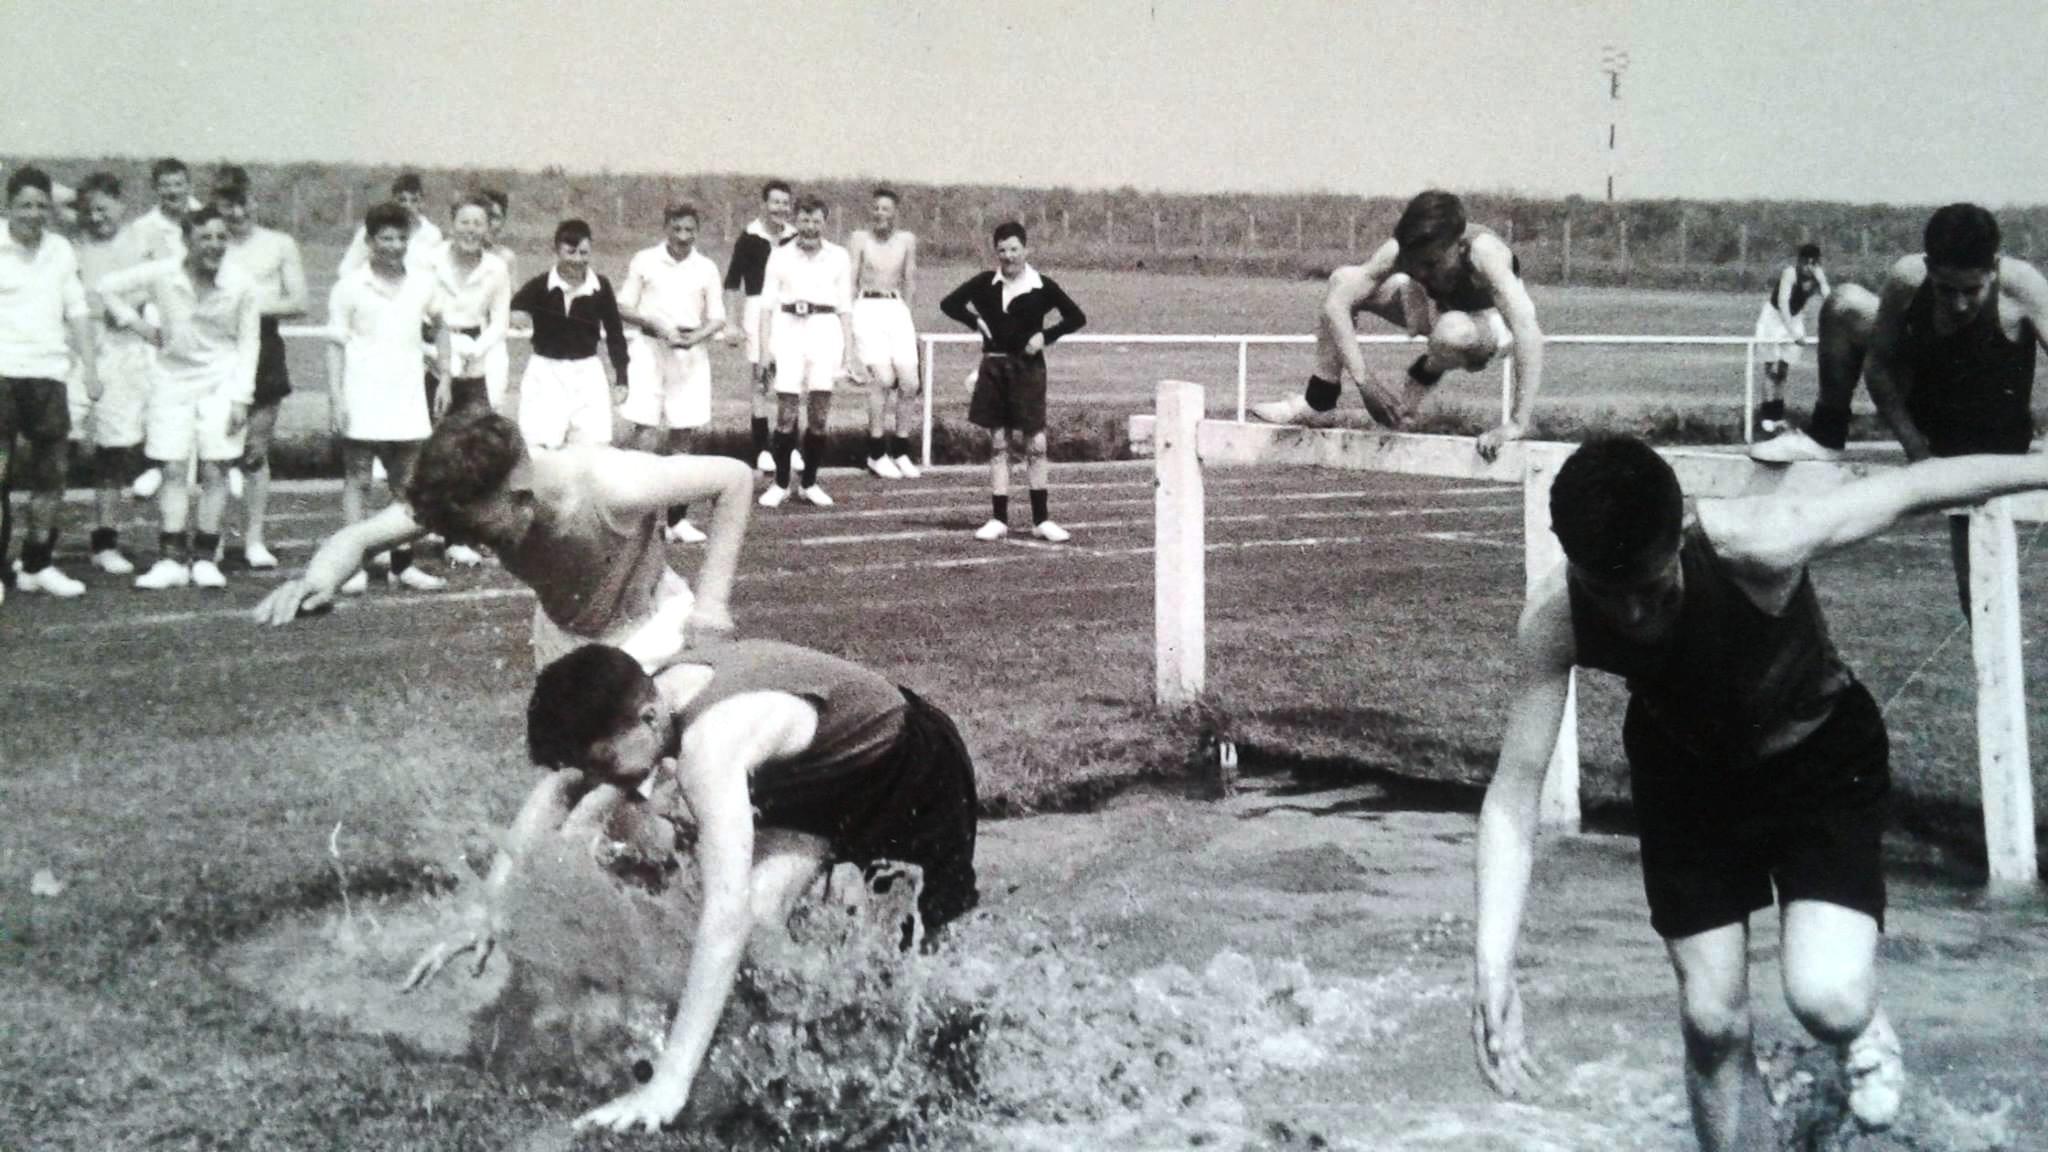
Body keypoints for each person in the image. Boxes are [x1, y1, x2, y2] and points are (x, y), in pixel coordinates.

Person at [1470, 434, 2048, 1147]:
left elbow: (1919, 486)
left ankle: (1861, 1032)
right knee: (1712, 1020)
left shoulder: (1762, 542)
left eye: (1652, 591)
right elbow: (1513, 794)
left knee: (1826, 998)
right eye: (1605, 596)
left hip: (1819, 758)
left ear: (1680, 533)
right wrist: (1494, 965)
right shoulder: (1554, 614)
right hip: (1686, 775)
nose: (1633, 619)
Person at [406, 638, 980, 1135]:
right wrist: (490, 910)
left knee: (921, 949)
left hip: (908, 764)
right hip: (813, 781)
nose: (606, 785)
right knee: (761, 919)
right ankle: (778, 1051)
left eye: (608, 765)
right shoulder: (638, 703)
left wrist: (669, 1084)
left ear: (651, 719)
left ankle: (969, 1054)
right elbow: (560, 791)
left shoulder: (711, 744)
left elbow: (721, 911)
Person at [251, 406, 750, 673]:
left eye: (485, 532)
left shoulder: (609, 485)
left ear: (521, 492)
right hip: (564, 639)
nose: (483, 545)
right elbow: (360, 538)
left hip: (651, 628)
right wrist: (317, 580)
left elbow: (733, 477)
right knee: (584, 791)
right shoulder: (468, 497)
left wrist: (710, 606)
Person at [1750, 204, 2048, 611]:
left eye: (1971, 291)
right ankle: (1826, 435)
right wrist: (1917, 451)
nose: (1959, 304)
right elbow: (1879, 366)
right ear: (1928, 266)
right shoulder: (1908, 278)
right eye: (1946, 289)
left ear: (1993, 268)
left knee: (1978, 597)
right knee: (1844, 304)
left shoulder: (2025, 286)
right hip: (1930, 408)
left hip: (1989, 435)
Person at [1251, 189, 1544, 462]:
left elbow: (1528, 331)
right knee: (1342, 279)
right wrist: (1366, 383)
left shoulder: (1485, 254)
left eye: (1430, 263)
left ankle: (1425, 371)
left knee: (1451, 331)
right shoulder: (1400, 252)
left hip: (1485, 322)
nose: (1419, 270)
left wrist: (1517, 422)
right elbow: (1336, 304)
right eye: (1412, 262)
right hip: (1431, 307)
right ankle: (1319, 400)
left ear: (1457, 245)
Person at [95, 206, 257, 591]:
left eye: (221, 237)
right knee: (171, 468)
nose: (215, 245)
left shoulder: (242, 283)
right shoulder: (163, 273)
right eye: (206, 238)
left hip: (222, 381)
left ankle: (204, 558)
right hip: (171, 381)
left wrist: (241, 397)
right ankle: (170, 560)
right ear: (187, 241)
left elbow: (250, 341)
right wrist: (139, 326)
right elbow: (106, 287)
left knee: (216, 469)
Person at [325, 201, 452, 594]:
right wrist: (336, 398)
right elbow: (334, 346)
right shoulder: (348, 286)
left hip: (407, 397)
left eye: (400, 238)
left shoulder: (422, 283)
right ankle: (352, 567)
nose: (394, 246)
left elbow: (442, 325)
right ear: (370, 241)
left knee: (406, 485)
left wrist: (445, 376)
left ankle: (402, 565)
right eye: (386, 238)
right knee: (358, 480)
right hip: (362, 395)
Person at [939, 221, 1086, 542]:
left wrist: (1045, 336)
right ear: (996, 252)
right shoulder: (983, 283)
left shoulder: (1042, 285)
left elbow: (1076, 317)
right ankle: (998, 518)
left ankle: (1041, 519)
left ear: (1026, 250)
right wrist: (975, 320)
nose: (1008, 256)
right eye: (1002, 250)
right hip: (994, 368)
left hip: (1028, 369)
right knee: (998, 443)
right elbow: (949, 304)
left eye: (1014, 249)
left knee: (1036, 444)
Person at [0, 165, 97, 599]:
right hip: (2, 374)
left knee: (51, 475)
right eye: (25, 205)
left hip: (50, 375)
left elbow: (76, 311)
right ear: (9, 207)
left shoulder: (59, 249)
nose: (34, 213)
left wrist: (91, 369)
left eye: (42, 205)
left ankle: (37, 563)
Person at [213, 166, 308, 571]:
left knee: (255, 452)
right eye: (227, 204)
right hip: (219, 351)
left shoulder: (279, 244)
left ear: (254, 201)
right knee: (215, 451)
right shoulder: (211, 242)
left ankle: (254, 539)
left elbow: (299, 302)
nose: (236, 213)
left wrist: (248, 304)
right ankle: (211, 541)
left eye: (242, 202)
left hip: (265, 347)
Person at [616, 203, 726, 543]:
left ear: (697, 231)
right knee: (644, 431)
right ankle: (629, 513)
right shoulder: (644, 260)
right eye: (677, 229)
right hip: (649, 351)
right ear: (666, 227)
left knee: (683, 435)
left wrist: (696, 337)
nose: (682, 237)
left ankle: (677, 520)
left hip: (690, 356)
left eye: (689, 230)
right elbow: (621, 307)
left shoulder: (706, 267)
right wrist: (655, 325)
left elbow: (717, 317)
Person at [71, 172, 156, 577]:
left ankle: (104, 542)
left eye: (105, 207)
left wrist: (118, 306)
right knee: (53, 448)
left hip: (122, 356)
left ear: (122, 206)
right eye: (89, 208)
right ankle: (37, 545)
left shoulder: (140, 243)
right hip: (71, 354)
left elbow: (150, 290)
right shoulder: (70, 242)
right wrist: (81, 198)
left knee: (113, 452)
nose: (96, 215)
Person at [757, 195, 861, 508]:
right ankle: (780, 484)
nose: (810, 227)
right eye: (804, 220)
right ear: (796, 220)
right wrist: (764, 349)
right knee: (786, 411)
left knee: (819, 411)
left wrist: (850, 351)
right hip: (788, 329)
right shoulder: (779, 255)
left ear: (824, 223)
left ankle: (810, 483)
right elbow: (765, 307)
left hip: (824, 330)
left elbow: (845, 307)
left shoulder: (839, 257)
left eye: (816, 221)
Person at [115, 157, 199, 503]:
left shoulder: (204, 217)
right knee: (157, 395)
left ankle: (203, 471)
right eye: (165, 185)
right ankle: (156, 466)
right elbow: (132, 280)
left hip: (200, 320)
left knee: (200, 396)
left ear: (188, 185)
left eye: (178, 184)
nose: (172, 191)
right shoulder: (143, 227)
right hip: (158, 321)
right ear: (156, 189)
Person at [509, 218, 630, 451]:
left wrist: (622, 377)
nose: (577, 260)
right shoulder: (540, 285)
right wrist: (518, 316)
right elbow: (513, 308)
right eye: (570, 252)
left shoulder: (601, 287)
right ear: (557, 250)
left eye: (584, 253)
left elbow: (615, 333)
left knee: (593, 449)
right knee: (539, 448)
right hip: (545, 373)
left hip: (587, 374)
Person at [847, 187, 923, 479]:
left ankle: (901, 450)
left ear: (895, 213)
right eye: (876, 208)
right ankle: (876, 453)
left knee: (909, 382)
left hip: (897, 310)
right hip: (867, 307)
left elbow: (910, 280)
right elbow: (852, 279)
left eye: (886, 209)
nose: (880, 214)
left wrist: (910, 320)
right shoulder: (859, 239)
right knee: (883, 378)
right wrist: (849, 323)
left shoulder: (907, 240)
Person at [722, 181, 795, 473]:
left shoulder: (795, 236)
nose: (780, 208)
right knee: (761, 380)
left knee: (789, 382)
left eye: (785, 203)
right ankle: (761, 449)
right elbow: (731, 283)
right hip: (756, 310)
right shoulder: (749, 237)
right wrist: (730, 322)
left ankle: (787, 448)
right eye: (775, 202)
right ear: (764, 204)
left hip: (788, 313)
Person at [1753, 243, 1831, 435]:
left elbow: (1830, 302)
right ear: (1799, 261)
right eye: (1806, 262)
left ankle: (1778, 417)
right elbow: (1783, 305)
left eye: (1814, 263)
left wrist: (1822, 282)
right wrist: (1793, 334)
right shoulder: (1789, 273)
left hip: (1794, 318)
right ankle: (1766, 418)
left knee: (1783, 371)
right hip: (1773, 318)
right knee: (1770, 369)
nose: (1809, 266)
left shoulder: (1815, 277)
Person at [337, 171, 444, 276]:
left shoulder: (432, 234)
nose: (408, 205)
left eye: (414, 200)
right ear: (393, 201)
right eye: (402, 200)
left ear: (422, 203)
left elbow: (437, 273)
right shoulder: (373, 228)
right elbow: (347, 269)